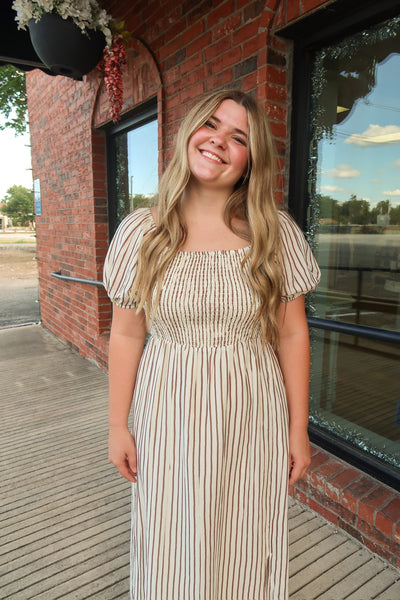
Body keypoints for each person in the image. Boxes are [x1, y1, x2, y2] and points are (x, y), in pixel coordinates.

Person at [103, 89, 320, 600]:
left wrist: (298, 428)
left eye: (238, 137)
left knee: (245, 538)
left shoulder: (274, 233)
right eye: (211, 126)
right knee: (170, 540)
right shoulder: (142, 231)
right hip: (168, 409)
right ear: (189, 134)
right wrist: (117, 424)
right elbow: (128, 333)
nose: (219, 141)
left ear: (251, 160)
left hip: (252, 410)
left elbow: (292, 333)